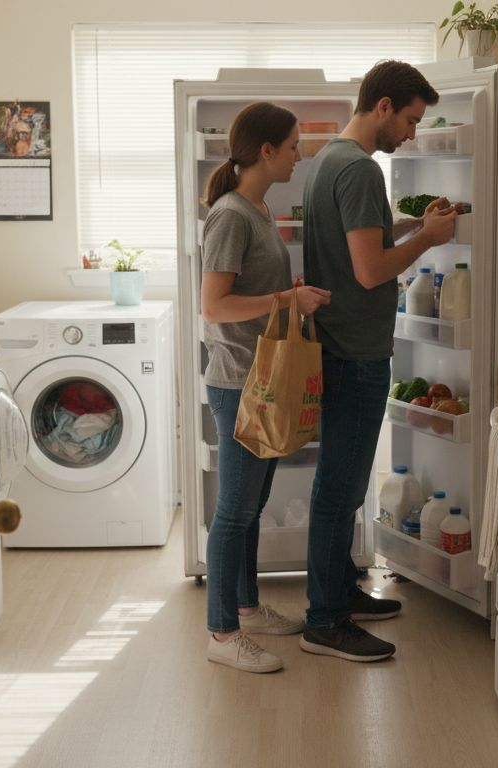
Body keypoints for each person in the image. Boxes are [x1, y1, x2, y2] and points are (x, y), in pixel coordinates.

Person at [298, 61, 457, 662]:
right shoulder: (362, 169)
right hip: (356, 352)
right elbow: (370, 269)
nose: (414, 134)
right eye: (412, 120)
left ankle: (339, 591)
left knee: (338, 485)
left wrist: (417, 221)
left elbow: (360, 240)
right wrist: (428, 242)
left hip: (335, 345)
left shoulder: (327, 163)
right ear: (384, 106)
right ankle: (325, 620)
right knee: (339, 492)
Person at [200, 102, 332, 673]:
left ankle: (248, 608)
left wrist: (289, 288)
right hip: (239, 382)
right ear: (265, 151)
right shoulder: (231, 214)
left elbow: (251, 286)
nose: (300, 156)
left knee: (253, 505)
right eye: (294, 146)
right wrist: (285, 300)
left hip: (264, 379)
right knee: (233, 511)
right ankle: (222, 634)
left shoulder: (257, 206)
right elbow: (215, 306)